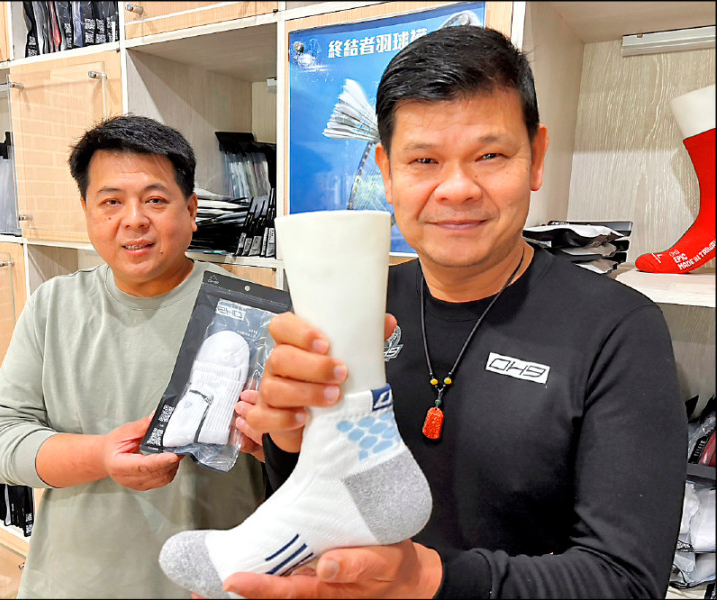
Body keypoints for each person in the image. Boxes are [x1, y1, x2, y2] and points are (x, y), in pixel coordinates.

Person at [228, 25, 688, 599]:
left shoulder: (618, 329)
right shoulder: (361, 307)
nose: (457, 189)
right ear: (387, 173)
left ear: (536, 157)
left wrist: (428, 579)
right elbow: (313, 506)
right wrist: (290, 440)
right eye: (423, 159)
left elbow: (625, 580)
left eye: (490, 155)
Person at [0, 114, 266, 598]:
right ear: (87, 211)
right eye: (111, 201)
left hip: (213, 583)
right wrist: (101, 455)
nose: (134, 220)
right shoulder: (54, 305)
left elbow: (299, 456)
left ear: (191, 209)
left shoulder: (251, 315)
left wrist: (274, 440)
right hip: (74, 583)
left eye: (155, 200)